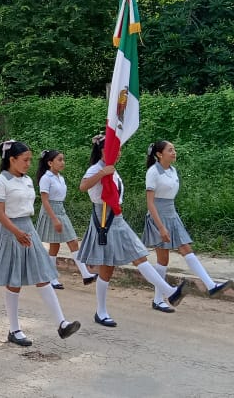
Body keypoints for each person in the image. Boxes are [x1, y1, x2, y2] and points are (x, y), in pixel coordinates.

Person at [0, 141, 82, 347]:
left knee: (43, 275)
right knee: (13, 281)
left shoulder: (26, 180)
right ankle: (14, 330)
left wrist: (25, 231)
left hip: (28, 229)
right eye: (25, 160)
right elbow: (0, 213)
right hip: (11, 232)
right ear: (12, 159)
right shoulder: (1, 181)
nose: (28, 164)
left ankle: (61, 323)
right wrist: (16, 232)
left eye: (30, 160)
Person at [78, 134, 187, 327]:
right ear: (103, 151)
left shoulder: (112, 169)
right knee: (110, 267)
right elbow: (83, 186)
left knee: (136, 257)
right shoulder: (96, 168)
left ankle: (169, 292)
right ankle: (102, 311)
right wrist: (102, 173)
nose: (118, 154)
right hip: (104, 218)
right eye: (115, 150)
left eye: (119, 150)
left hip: (116, 217)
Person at [142, 141, 233, 313]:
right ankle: (158, 300)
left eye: (174, 149)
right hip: (159, 216)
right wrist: (160, 227)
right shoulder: (153, 172)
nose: (174, 152)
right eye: (170, 150)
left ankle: (211, 285)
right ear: (159, 154)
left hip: (172, 213)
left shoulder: (172, 170)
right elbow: (150, 203)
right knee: (163, 260)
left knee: (186, 249)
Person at [35, 149, 97, 289]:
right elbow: (45, 201)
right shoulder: (46, 178)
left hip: (61, 210)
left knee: (64, 243)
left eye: (63, 159)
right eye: (59, 160)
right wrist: (54, 219)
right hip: (51, 211)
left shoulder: (60, 177)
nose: (62, 162)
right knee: (64, 243)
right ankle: (55, 277)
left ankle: (83, 274)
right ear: (50, 163)